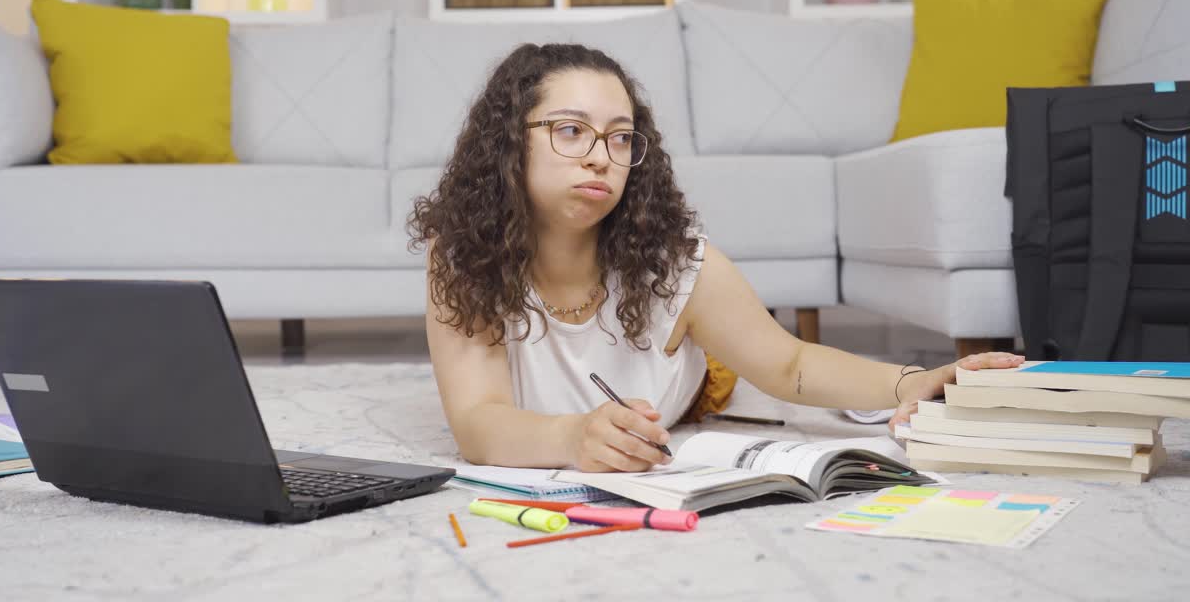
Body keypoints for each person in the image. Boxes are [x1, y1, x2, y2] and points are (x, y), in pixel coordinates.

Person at [408, 43, 1023, 473]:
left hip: (708, 387)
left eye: (620, 137)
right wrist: (573, 437)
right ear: (509, 142)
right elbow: (478, 422)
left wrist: (911, 382)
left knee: (747, 376)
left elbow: (789, 365)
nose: (601, 156)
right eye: (570, 130)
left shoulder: (674, 263)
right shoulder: (463, 254)